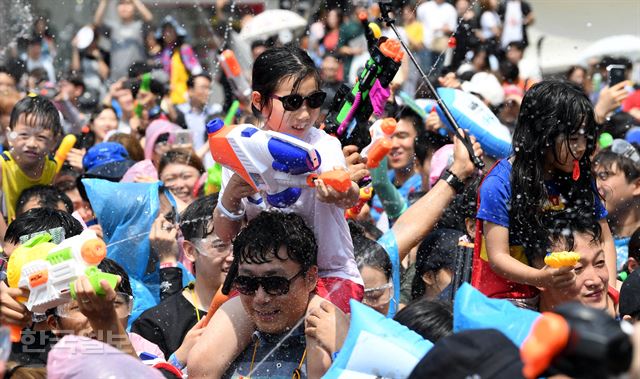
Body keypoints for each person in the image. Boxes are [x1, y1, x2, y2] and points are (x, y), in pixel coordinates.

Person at [189, 45, 362, 378]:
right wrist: (231, 195)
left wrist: (341, 192)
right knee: (201, 364)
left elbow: (347, 194)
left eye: (314, 100)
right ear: (259, 101)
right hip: (261, 282)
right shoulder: (240, 148)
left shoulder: (324, 147)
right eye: (293, 102)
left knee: (323, 365)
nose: (305, 114)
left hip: (326, 274)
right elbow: (225, 236)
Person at [473, 80, 616, 309]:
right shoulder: (500, 184)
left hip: (568, 294)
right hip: (511, 300)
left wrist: (608, 291)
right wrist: (541, 278)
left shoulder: (578, 174)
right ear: (543, 135)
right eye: (571, 139)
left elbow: (605, 239)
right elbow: (498, 258)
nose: (580, 148)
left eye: (584, 138)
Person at [132, 195, 230, 366]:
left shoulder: (262, 310)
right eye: (220, 246)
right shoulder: (154, 324)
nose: (233, 257)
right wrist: (178, 359)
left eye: (240, 244)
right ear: (190, 251)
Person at [220, 211, 317, 378]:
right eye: (247, 283)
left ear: (310, 278)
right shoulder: (223, 347)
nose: (260, 298)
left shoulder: (338, 349)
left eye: (275, 284)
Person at [1, 95, 62, 228]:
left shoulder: (51, 167)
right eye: (24, 135)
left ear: (54, 142)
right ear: (10, 136)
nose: (31, 143)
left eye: (41, 137)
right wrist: (7, 242)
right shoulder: (3, 165)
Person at [534, 210, 610, 313]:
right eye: (577, 268)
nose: (596, 281)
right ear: (539, 279)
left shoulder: (629, 314)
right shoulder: (518, 327)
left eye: (600, 262)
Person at [593, 140, 640, 271]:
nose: (595, 185)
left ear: (637, 186)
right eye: (593, 176)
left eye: (604, 176)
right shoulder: (590, 235)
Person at [94, 0, 153, 82]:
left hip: (137, 79)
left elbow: (149, 18)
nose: (124, 7)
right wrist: (104, 2)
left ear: (134, 7)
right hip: (116, 80)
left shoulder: (139, 26)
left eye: (128, 3)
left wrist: (135, 1)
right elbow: (97, 22)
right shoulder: (113, 28)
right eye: (121, 4)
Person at [155, 16, 203, 105]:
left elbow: (197, 71)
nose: (167, 33)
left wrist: (193, 91)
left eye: (170, 30)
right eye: (165, 31)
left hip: (183, 98)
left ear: (177, 32)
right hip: (165, 99)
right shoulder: (159, 53)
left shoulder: (184, 49)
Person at [412, 229, 466, 301]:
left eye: (469, 271)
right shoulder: (415, 312)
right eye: (456, 272)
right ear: (429, 277)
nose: (465, 279)